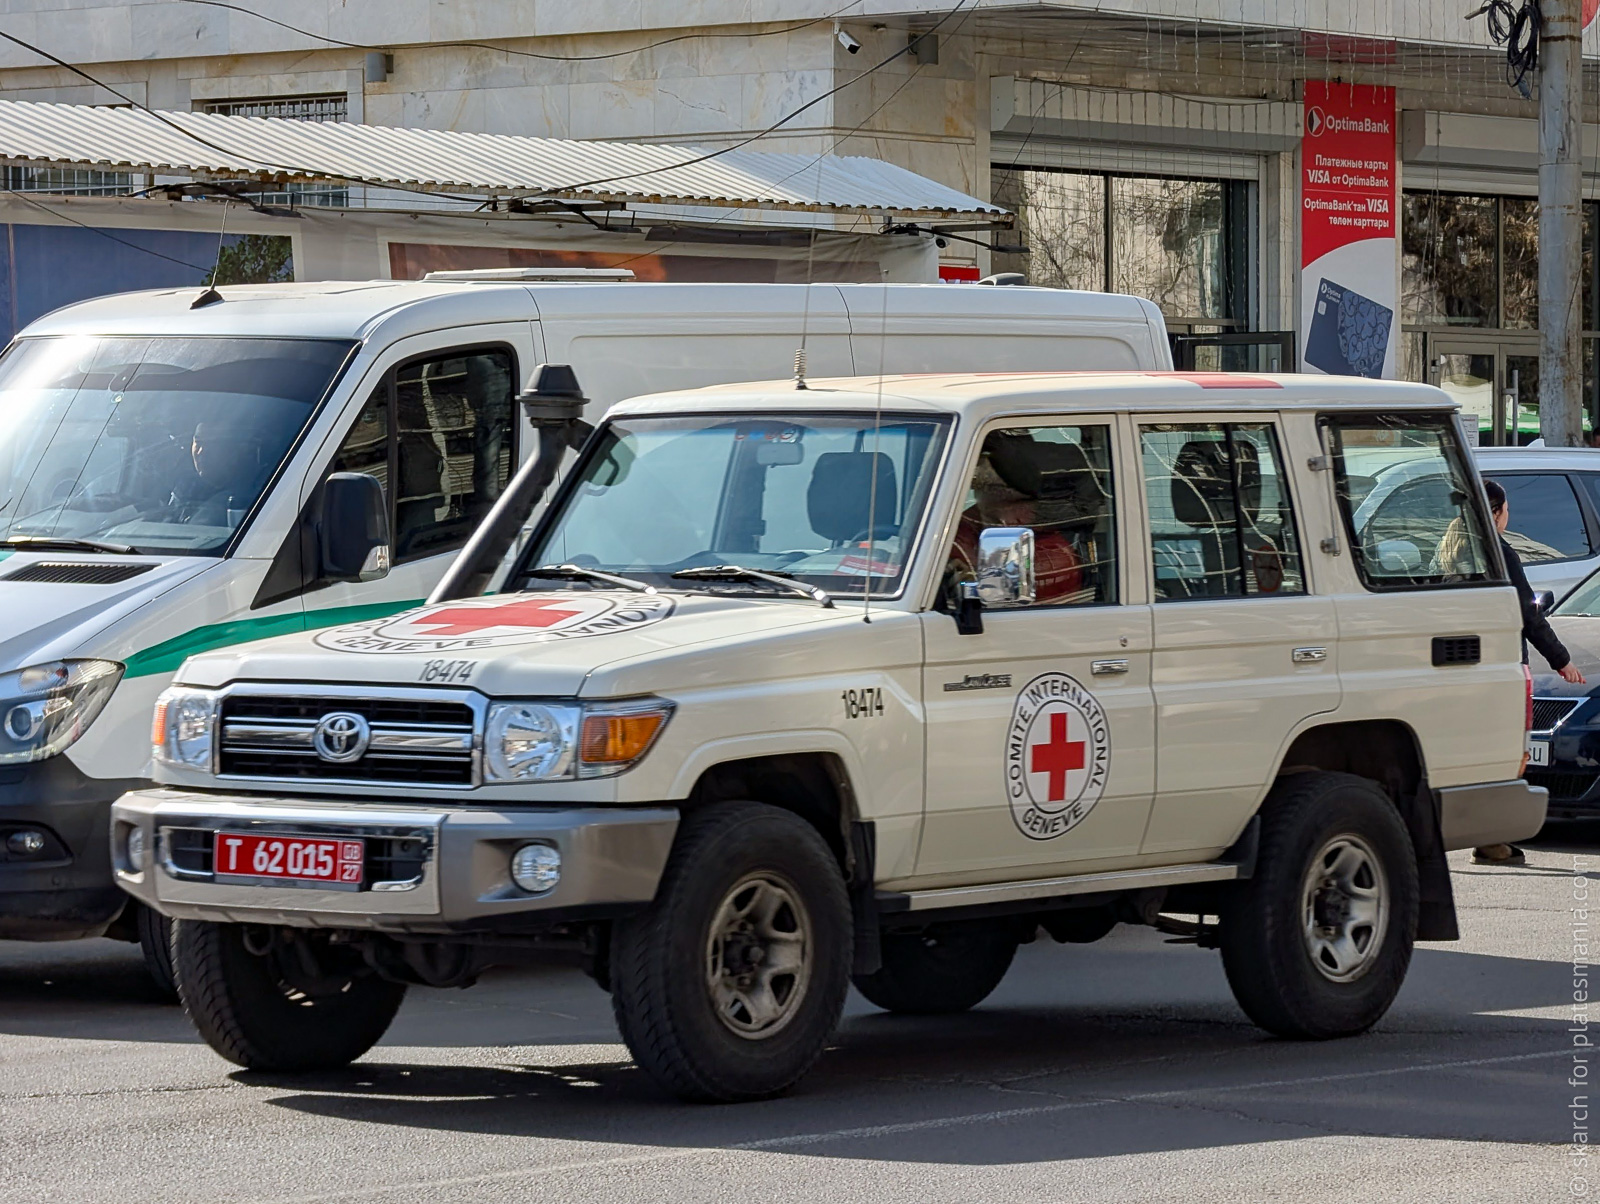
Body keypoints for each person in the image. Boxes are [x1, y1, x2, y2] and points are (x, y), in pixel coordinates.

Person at [1476, 478, 1585, 865]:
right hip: (1504, 665)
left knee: (1480, 754)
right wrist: (1562, 661)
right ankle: (1494, 840)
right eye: (1507, 511)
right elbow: (1528, 614)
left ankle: (1486, 835)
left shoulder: (1452, 550)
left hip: (1468, 668)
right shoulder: (1500, 553)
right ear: (1497, 512)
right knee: (1508, 753)